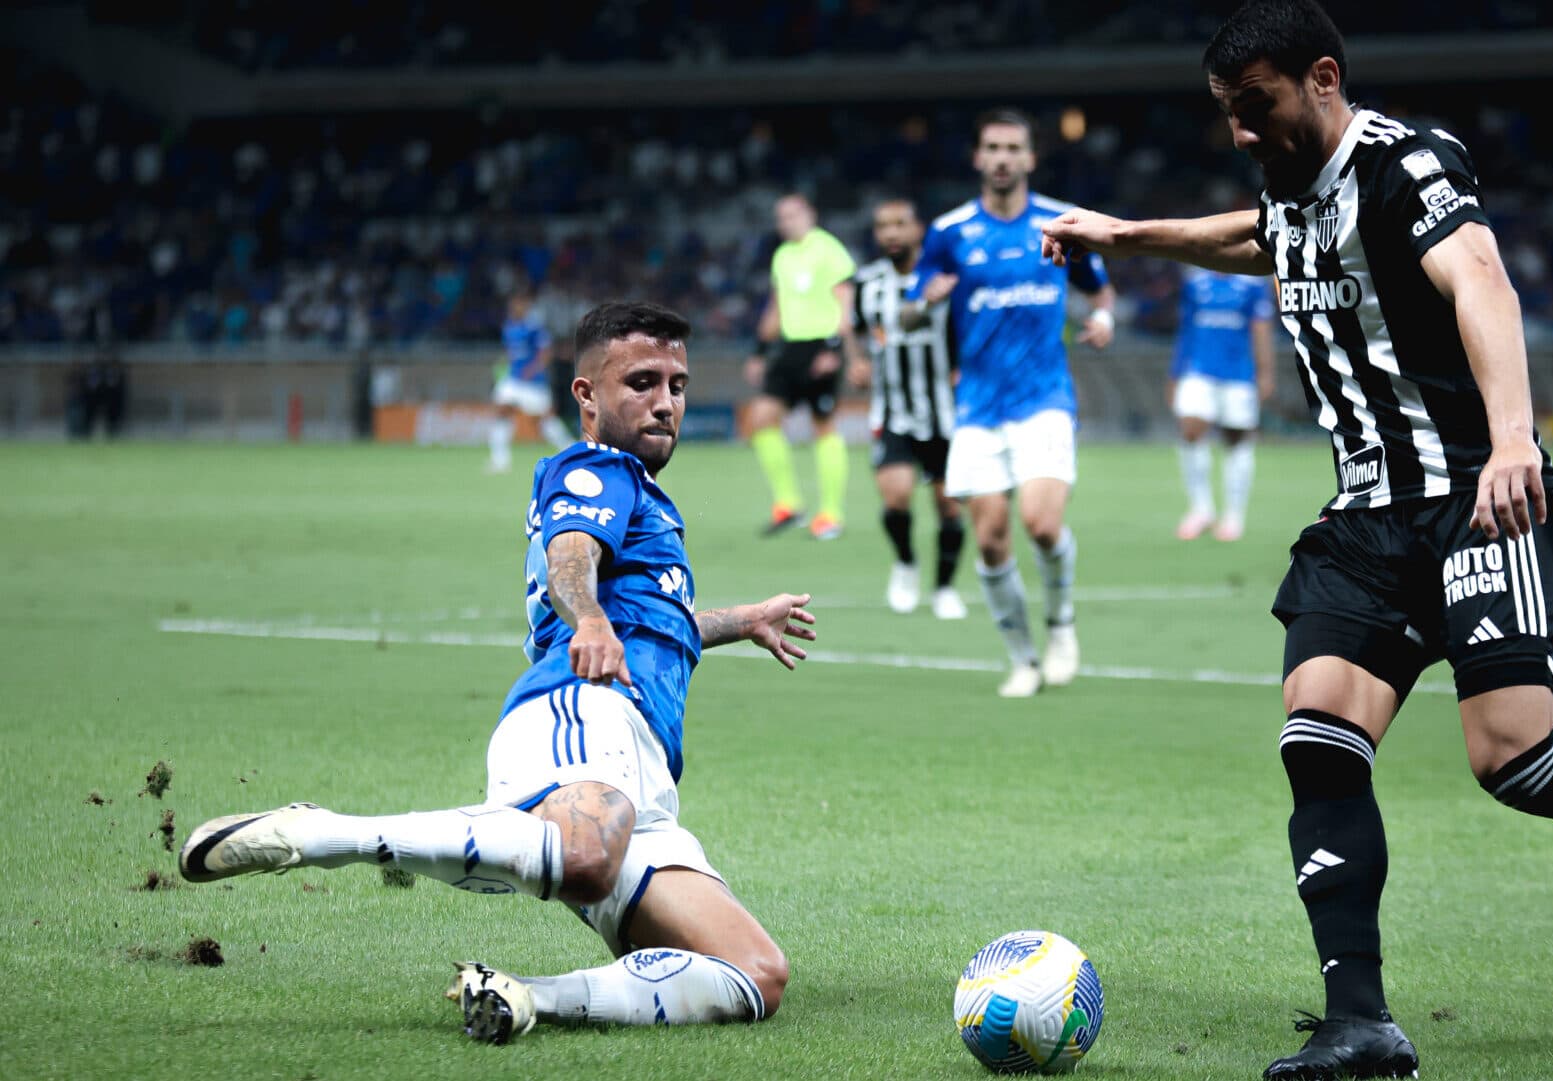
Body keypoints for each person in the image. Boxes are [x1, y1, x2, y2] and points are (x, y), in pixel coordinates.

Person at [1040, 3, 1553, 1077]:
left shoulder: (1410, 164)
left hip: (1476, 498)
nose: (1243, 135)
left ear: (1323, 79)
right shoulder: (1291, 192)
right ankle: (1362, 1021)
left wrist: (1512, 440)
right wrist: (1126, 233)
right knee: (1318, 736)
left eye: (1256, 109)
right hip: (1363, 521)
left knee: (1515, 760)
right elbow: (1260, 236)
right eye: (1229, 118)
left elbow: (1482, 278)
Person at [181, 301, 817, 1044]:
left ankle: (525, 996)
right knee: (584, 859)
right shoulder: (595, 469)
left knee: (753, 971)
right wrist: (590, 619)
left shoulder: (642, 495)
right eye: (642, 381)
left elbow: (658, 624)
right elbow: (570, 559)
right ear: (585, 395)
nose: (665, 401)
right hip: (582, 711)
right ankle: (320, 833)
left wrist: (741, 621)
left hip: (643, 768)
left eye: (677, 383)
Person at [903, 108, 1116, 697]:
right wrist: (926, 302)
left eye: (1012, 148)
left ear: (1029, 158)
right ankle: (1023, 658)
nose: (1001, 157)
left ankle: (1062, 623)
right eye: (991, 147)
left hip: (1044, 398)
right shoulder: (949, 232)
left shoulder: (1058, 222)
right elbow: (908, 308)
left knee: (1042, 524)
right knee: (993, 539)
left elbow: (1099, 288)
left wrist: (1102, 318)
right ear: (978, 158)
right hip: (976, 406)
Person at [846, 197, 969, 619]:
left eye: (900, 224)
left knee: (949, 505)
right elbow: (855, 331)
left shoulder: (947, 278)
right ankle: (905, 563)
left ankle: (945, 589)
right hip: (892, 410)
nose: (891, 233)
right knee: (896, 496)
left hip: (945, 412)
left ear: (919, 230)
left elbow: (968, 329)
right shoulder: (868, 282)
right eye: (883, 226)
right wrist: (855, 359)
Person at [744, 194, 858, 538]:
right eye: (781, 217)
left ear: (810, 214)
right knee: (761, 418)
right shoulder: (783, 256)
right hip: (790, 348)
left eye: (793, 215)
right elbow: (776, 308)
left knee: (822, 425)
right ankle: (788, 504)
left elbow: (845, 304)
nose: (786, 222)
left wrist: (834, 349)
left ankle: (831, 515)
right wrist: (760, 351)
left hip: (822, 346)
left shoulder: (829, 250)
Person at [1169, 265, 1278, 541]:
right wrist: (1175, 373)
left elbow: (1261, 329)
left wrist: (1265, 372)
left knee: (1236, 440)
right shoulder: (1195, 284)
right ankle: (1201, 508)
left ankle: (1233, 515)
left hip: (1239, 374)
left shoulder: (1252, 284)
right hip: (1198, 370)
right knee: (1191, 430)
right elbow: (1186, 331)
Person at [488, 289, 574, 474]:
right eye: (513, 304)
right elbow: (511, 352)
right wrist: (503, 365)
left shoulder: (534, 327)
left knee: (544, 420)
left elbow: (546, 352)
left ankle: (570, 450)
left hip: (533, 382)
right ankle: (500, 460)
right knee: (501, 410)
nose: (515, 308)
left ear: (526, 306)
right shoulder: (509, 327)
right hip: (513, 379)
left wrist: (533, 369)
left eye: (519, 304)